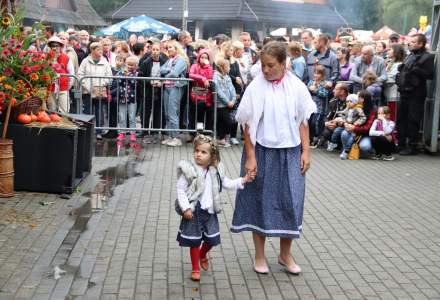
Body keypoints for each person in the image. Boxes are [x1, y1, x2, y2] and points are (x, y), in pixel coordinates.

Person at [231, 42, 316, 275]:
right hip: (261, 151)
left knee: (291, 201)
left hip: (290, 152)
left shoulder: (296, 86)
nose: (265, 70)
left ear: (283, 64)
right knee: (259, 200)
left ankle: (285, 255)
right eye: (263, 65)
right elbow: (247, 125)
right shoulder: (255, 87)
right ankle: (259, 256)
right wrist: (250, 156)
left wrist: (306, 151)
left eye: (270, 66)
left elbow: (303, 121)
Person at [176, 135, 252, 281]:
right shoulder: (189, 171)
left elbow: (227, 183)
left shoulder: (216, 171)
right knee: (194, 241)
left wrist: (243, 180)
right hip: (194, 210)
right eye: (197, 150)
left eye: (203, 152)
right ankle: (195, 268)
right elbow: (180, 190)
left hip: (209, 212)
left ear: (212, 156)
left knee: (211, 240)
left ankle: (203, 255)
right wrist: (186, 208)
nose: (198, 154)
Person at [396, 33, 435, 155]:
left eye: (413, 42)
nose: (410, 43)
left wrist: (415, 69)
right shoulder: (410, 55)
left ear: (421, 44)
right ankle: (401, 144)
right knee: (401, 119)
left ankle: (412, 146)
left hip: (416, 93)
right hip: (404, 92)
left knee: (413, 120)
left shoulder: (427, 57)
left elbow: (430, 74)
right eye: (410, 41)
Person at [78, 42, 113, 140]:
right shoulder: (85, 61)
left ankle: (99, 132)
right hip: (87, 91)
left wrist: (101, 84)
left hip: (100, 91)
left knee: (99, 111)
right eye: (98, 50)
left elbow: (109, 76)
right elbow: (80, 75)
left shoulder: (105, 62)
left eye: (101, 50)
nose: (101, 51)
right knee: (87, 111)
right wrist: (89, 86)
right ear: (92, 50)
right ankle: (87, 131)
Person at [160, 40, 189, 147]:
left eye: (170, 47)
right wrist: (168, 70)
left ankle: (176, 137)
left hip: (176, 87)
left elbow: (174, 73)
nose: (168, 50)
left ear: (176, 49)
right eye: (167, 48)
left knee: (173, 113)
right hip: (167, 87)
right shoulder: (169, 60)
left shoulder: (181, 60)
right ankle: (170, 136)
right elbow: (161, 69)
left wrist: (166, 75)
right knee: (167, 113)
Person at [138, 42, 168, 142]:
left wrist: (162, 82)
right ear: (151, 50)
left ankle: (155, 132)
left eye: (157, 50)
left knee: (157, 112)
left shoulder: (164, 61)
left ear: (160, 50)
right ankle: (145, 132)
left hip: (159, 91)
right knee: (146, 112)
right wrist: (149, 81)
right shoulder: (146, 62)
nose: (155, 52)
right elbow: (140, 77)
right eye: (153, 49)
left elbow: (167, 76)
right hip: (148, 91)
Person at [328, 94, 366, 159]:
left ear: (355, 102)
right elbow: (343, 113)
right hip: (345, 125)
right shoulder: (347, 108)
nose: (348, 103)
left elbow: (363, 118)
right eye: (347, 101)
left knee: (350, 137)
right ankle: (333, 142)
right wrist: (338, 114)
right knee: (337, 130)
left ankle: (346, 151)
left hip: (352, 127)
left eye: (351, 102)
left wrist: (355, 124)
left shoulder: (358, 109)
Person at [189, 49, 214, 136]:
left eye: (205, 57)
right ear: (199, 57)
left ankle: (205, 134)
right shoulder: (194, 66)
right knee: (194, 114)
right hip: (196, 94)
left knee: (206, 114)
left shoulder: (210, 68)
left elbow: (210, 76)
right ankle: (192, 134)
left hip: (207, 95)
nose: (203, 59)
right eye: (202, 57)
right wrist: (202, 78)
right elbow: (191, 74)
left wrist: (207, 67)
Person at [46, 36, 75, 114]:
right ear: (50, 47)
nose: (55, 48)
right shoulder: (46, 58)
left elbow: (71, 74)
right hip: (50, 87)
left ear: (60, 46)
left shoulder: (66, 58)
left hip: (63, 87)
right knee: (52, 109)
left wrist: (68, 86)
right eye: (53, 46)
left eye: (56, 46)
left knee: (64, 110)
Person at [213, 58, 237, 147]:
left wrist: (233, 100)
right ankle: (221, 138)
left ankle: (225, 137)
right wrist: (227, 102)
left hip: (230, 103)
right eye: (228, 66)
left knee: (229, 121)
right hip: (221, 104)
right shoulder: (215, 77)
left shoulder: (227, 76)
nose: (230, 68)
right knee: (225, 121)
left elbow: (232, 88)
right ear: (223, 67)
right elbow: (218, 91)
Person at [115, 56, 139, 143]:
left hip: (132, 98)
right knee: (122, 116)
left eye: (132, 65)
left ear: (136, 65)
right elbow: (117, 80)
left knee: (132, 117)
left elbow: (134, 83)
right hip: (122, 97)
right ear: (126, 64)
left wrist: (128, 76)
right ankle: (122, 133)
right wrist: (122, 75)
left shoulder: (136, 73)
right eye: (128, 64)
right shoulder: (121, 72)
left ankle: (133, 133)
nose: (130, 66)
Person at [307, 65, 330, 147]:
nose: (316, 75)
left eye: (318, 74)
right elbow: (306, 90)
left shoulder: (325, 84)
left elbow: (325, 94)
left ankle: (318, 138)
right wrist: (310, 89)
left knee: (316, 123)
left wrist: (316, 90)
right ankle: (311, 138)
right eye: (315, 73)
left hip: (320, 107)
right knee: (309, 122)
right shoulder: (311, 82)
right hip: (310, 107)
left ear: (323, 75)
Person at [323, 83, 349, 148]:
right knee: (325, 132)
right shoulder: (333, 101)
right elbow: (327, 116)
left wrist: (339, 124)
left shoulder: (351, 101)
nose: (333, 91)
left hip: (346, 126)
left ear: (342, 91)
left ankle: (345, 147)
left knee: (339, 131)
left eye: (336, 89)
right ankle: (337, 145)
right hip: (334, 125)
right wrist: (327, 123)